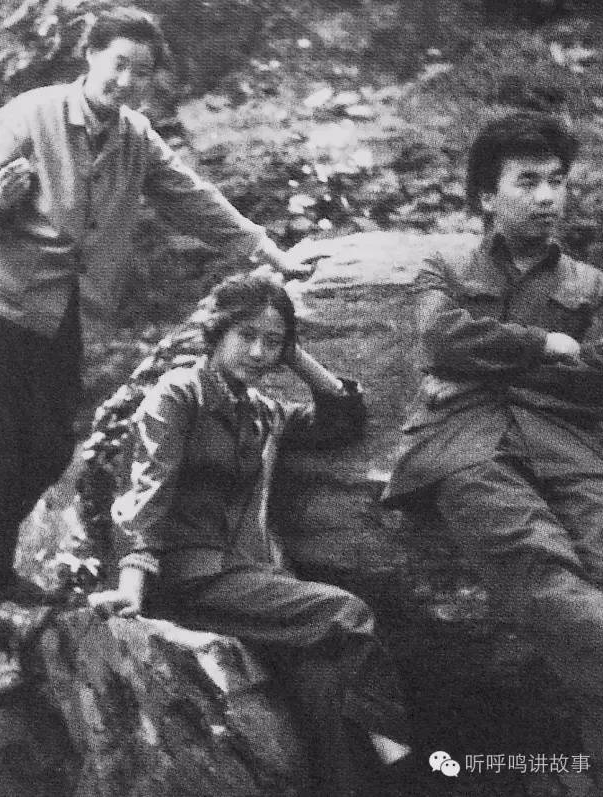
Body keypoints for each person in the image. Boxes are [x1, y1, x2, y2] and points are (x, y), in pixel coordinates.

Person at [0, 6, 307, 702]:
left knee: (46, 451)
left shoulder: (135, 140)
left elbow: (193, 199)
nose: (126, 81)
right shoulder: (29, 114)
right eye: (117, 63)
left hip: (65, 318)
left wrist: (268, 252)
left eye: (142, 72)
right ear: (90, 56)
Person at [89, 271, 410, 797]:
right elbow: (145, 491)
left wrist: (296, 355)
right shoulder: (179, 394)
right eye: (247, 336)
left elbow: (341, 420)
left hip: (241, 578)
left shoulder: (261, 412)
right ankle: (406, 764)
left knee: (323, 675)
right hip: (184, 579)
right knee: (345, 614)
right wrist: (132, 587)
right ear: (217, 333)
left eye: (273, 342)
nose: (260, 352)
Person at [382, 111, 603, 795]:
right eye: (527, 181)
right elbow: (440, 339)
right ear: (488, 195)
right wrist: (544, 345)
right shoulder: (445, 264)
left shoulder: (596, 287)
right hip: (464, 440)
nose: (547, 197)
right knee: (534, 558)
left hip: (569, 443)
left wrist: (492, 365)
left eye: (557, 181)